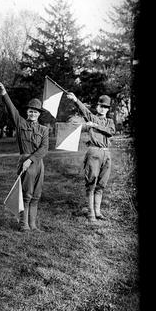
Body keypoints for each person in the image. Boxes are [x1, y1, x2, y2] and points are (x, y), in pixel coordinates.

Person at [0, 82, 49, 232]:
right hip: (25, 161)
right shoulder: (20, 124)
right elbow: (11, 109)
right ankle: (23, 224)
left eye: (36, 112)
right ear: (27, 112)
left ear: (39, 114)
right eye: (30, 111)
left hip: (38, 163)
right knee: (26, 194)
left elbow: (44, 148)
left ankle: (33, 224)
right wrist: (4, 93)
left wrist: (31, 160)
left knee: (36, 194)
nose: (33, 114)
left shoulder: (43, 130)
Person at [65, 93, 115, 222]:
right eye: (100, 106)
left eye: (105, 107)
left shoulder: (110, 121)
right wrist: (76, 99)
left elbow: (111, 131)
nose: (102, 109)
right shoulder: (91, 117)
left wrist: (96, 126)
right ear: (97, 106)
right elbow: (84, 110)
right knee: (91, 182)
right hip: (94, 152)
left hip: (106, 153)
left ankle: (98, 211)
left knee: (101, 184)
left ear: (108, 109)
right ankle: (91, 213)